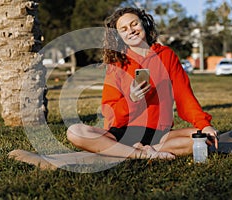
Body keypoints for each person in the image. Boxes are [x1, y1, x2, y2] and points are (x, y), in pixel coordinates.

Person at [66, 7, 218, 160]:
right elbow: (109, 111)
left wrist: (204, 124)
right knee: (75, 131)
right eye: (123, 29)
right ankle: (142, 154)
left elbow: (184, 96)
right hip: (122, 132)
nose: (131, 30)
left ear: (144, 24)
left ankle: (135, 151)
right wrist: (131, 100)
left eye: (134, 24)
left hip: (159, 134)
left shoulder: (166, 56)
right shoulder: (117, 64)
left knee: (202, 138)